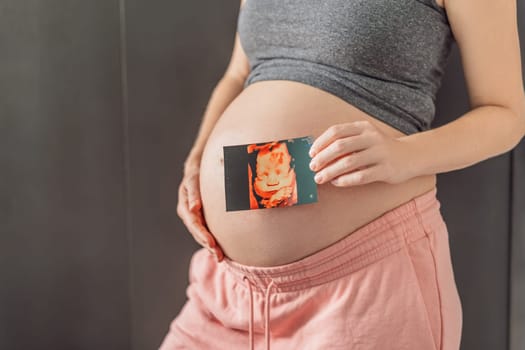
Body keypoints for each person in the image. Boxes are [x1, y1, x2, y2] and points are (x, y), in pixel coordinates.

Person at [160, 0, 525, 349]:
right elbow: (239, 73)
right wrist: (196, 162)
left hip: (361, 289)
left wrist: (405, 155)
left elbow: (506, 114)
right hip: (230, 290)